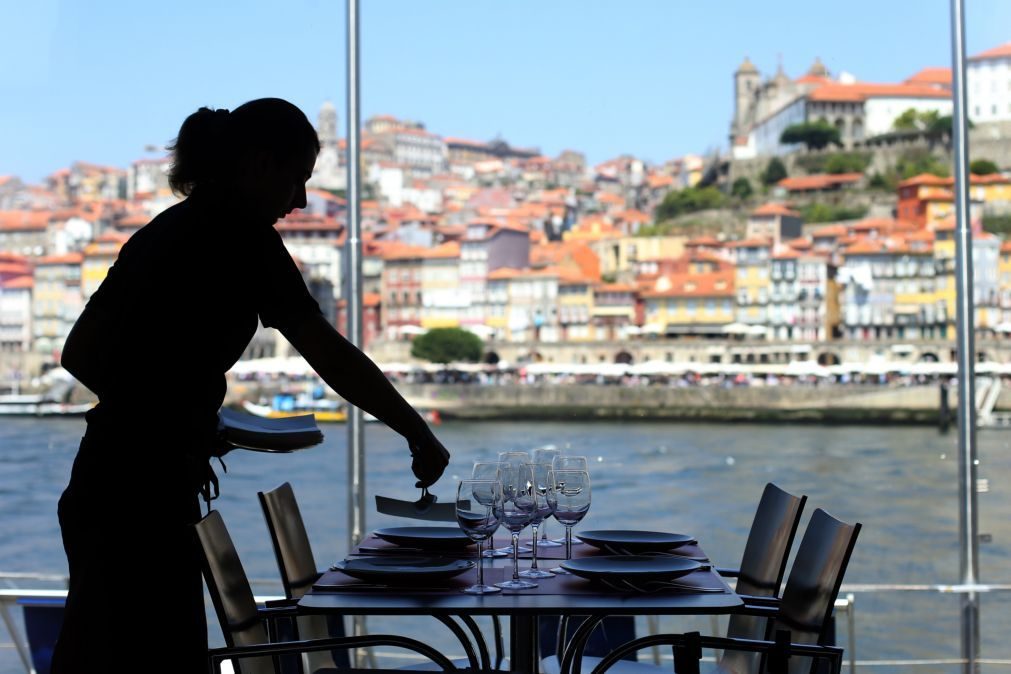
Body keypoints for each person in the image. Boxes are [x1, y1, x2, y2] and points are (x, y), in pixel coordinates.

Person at [51, 98, 450, 673]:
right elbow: (327, 351)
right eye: (298, 180)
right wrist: (417, 432)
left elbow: (81, 354)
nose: (301, 201)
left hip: (115, 481)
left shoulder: (172, 228)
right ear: (261, 164)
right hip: (139, 492)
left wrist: (178, 417)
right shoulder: (241, 236)